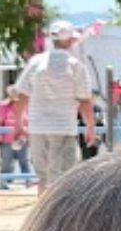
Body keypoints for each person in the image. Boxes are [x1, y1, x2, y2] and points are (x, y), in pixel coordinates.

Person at [14, 19, 95, 193]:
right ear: (70, 41)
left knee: (43, 177)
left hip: (37, 127)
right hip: (63, 127)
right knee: (63, 178)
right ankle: (60, 217)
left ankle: (43, 216)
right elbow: (85, 101)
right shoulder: (76, 67)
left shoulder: (36, 62)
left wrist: (19, 124)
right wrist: (90, 126)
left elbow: (21, 95)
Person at [0, 86, 31, 189]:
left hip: (21, 138)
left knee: (24, 160)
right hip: (6, 138)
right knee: (6, 161)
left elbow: (28, 120)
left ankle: (28, 181)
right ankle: (3, 182)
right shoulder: (3, 106)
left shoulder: (25, 105)